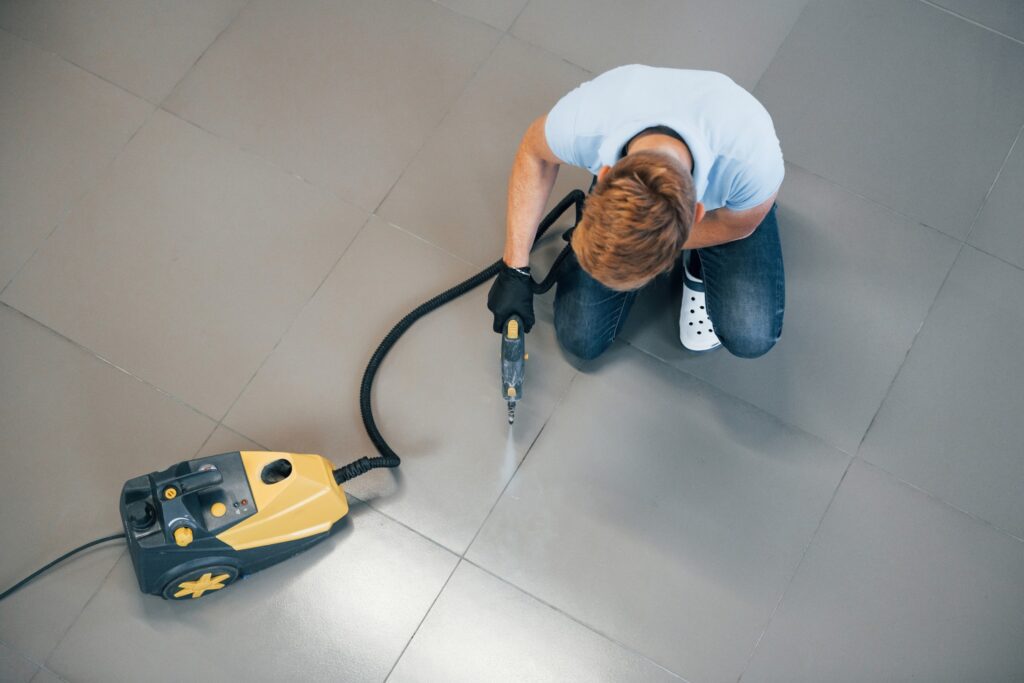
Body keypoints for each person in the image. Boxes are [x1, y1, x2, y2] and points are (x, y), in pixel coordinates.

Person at [487, 64, 785, 360]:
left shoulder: (751, 159)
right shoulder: (586, 120)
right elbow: (534, 152)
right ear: (604, 175)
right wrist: (514, 266)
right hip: (663, 190)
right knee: (580, 337)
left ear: (697, 215)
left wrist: (658, 242)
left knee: (750, 335)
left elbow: (737, 226)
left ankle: (698, 265)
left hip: (731, 210)